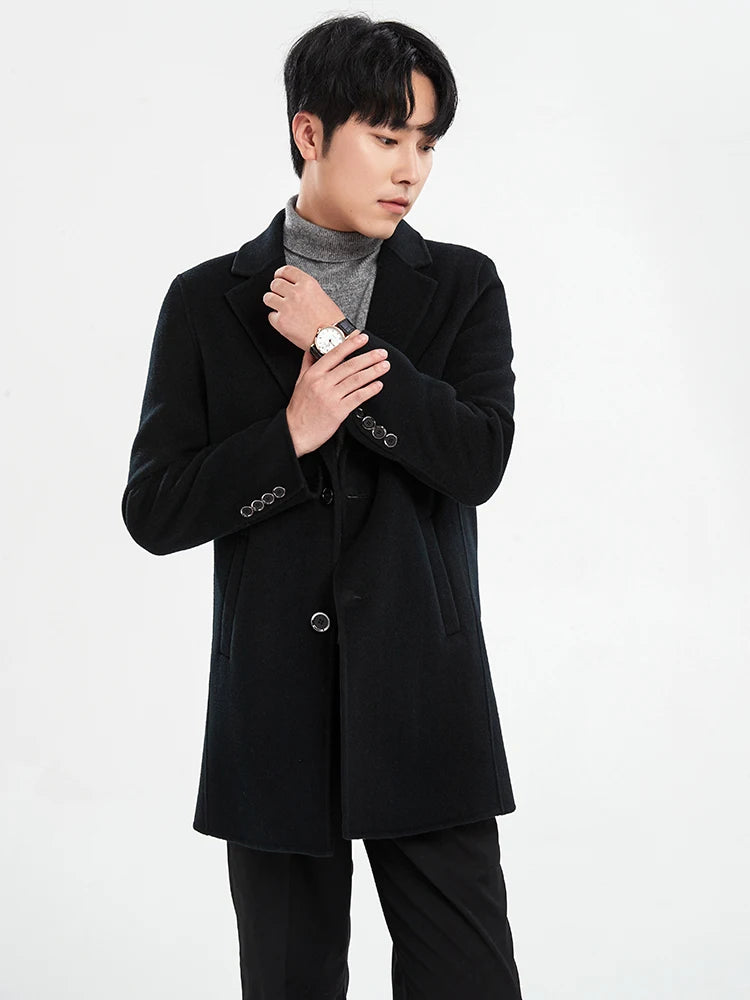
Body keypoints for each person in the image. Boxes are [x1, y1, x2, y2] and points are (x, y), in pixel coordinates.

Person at [122, 13, 523, 999]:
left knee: (468, 977)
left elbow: (476, 459)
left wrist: (337, 339)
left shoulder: (462, 284)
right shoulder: (205, 302)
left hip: (425, 705)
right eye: (387, 137)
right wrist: (290, 434)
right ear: (310, 132)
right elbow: (157, 509)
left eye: (426, 142)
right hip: (273, 713)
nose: (411, 169)